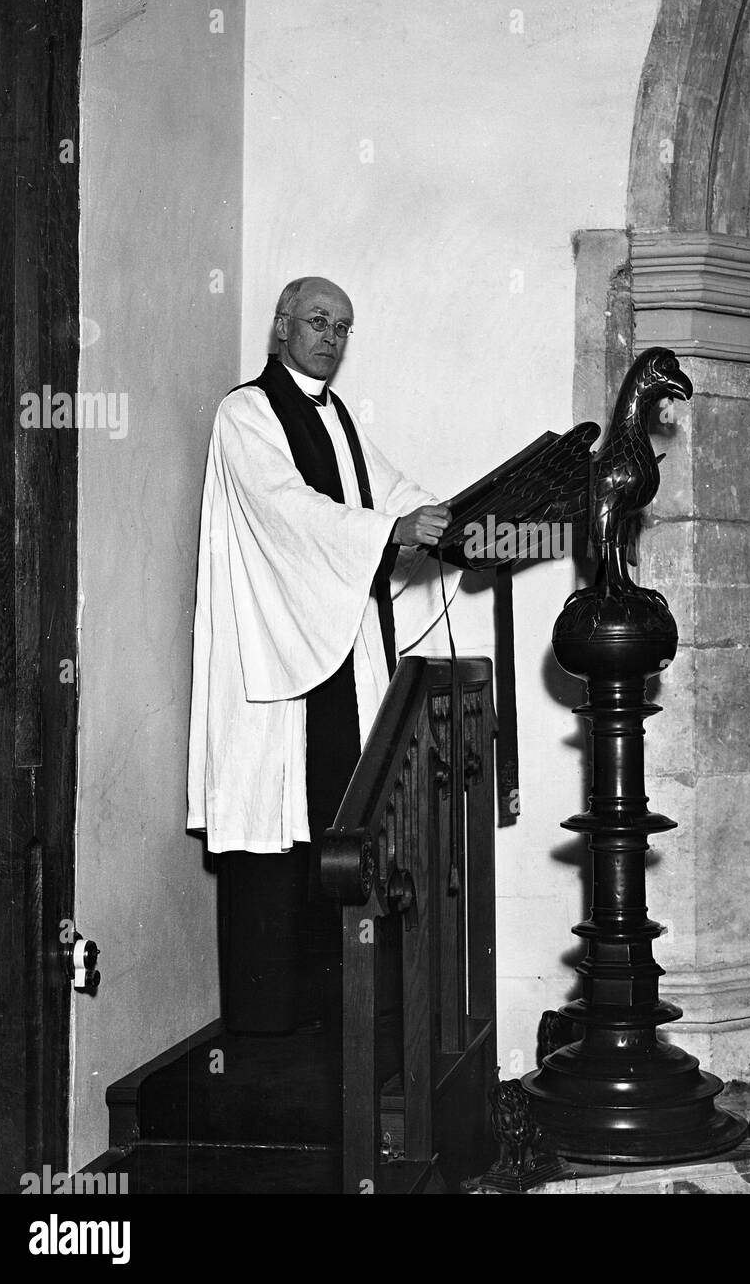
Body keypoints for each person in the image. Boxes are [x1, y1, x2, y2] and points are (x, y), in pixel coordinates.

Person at [187, 275, 453, 1034]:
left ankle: (348, 1035)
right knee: (280, 851)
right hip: (279, 665)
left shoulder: (338, 418)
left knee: (344, 838)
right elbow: (286, 510)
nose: (330, 337)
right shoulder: (244, 413)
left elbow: (397, 493)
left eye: (342, 326)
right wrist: (388, 534)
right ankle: (270, 1045)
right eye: (315, 322)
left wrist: (458, 519)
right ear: (280, 330)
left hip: (338, 655)